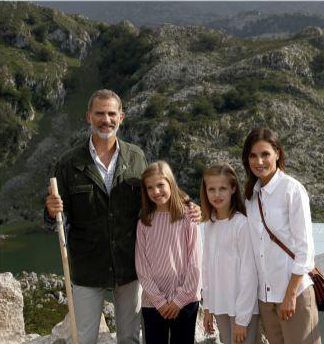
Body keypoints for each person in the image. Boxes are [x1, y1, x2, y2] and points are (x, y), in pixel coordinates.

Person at [44, 89, 200, 344]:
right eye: (99, 114)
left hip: (130, 265)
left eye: (111, 113)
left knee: (129, 337)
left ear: (121, 117)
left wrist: (188, 205)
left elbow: (157, 192)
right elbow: (57, 216)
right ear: (88, 117)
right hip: (87, 266)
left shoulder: (136, 157)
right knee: (84, 338)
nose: (106, 119)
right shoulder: (68, 163)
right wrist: (51, 211)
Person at [241, 127, 321, 344]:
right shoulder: (250, 197)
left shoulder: (292, 190)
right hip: (266, 299)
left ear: (277, 153)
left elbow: (305, 249)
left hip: (293, 294)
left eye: (265, 154)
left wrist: (290, 295)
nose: (259, 161)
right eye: (253, 156)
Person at [135, 161, 202, 344]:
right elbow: (142, 266)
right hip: (153, 304)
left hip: (185, 302)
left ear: (170, 183)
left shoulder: (189, 216)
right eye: (150, 188)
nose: (156, 192)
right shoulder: (144, 222)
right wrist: (159, 301)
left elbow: (195, 263)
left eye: (160, 185)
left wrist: (178, 300)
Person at [200, 163, 259, 344]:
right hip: (220, 306)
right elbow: (207, 269)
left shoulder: (241, 224)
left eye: (222, 188)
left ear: (233, 188)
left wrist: (242, 320)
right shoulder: (209, 225)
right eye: (212, 189)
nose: (217, 195)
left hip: (243, 311)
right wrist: (208, 307)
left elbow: (249, 274)